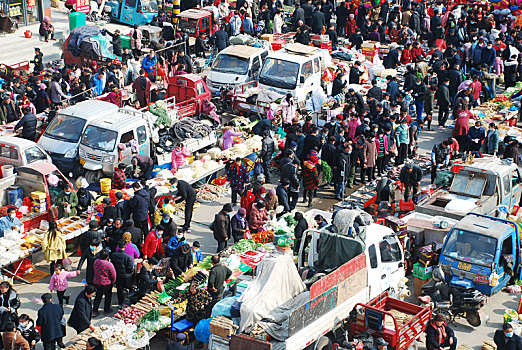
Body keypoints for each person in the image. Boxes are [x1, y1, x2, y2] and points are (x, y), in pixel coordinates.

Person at [92, 249, 116, 316]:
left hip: (97, 282)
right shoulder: (109, 265)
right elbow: (113, 275)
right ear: (107, 257)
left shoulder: (96, 262)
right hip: (107, 283)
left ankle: (95, 310)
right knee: (108, 297)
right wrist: (113, 282)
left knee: (98, 296)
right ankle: (106, 310)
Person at [111, 240, 134, 309]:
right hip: (126, 276)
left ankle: (120, 303)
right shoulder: (128, 257)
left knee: (119, 290)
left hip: (118, 275)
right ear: (125, 246)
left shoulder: (114, 255)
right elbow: (130, 268)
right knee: (128, 289)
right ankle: (129, 302)